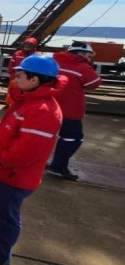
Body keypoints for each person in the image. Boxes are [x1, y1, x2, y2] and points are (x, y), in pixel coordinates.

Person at [0, 55, 64, 265]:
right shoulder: (30, 102)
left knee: (5, 216)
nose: (15, 78)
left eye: (20, 75)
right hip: (7, 171)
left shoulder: (43, 110)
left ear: (34, 80)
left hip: (14, 175)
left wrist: (2, 160)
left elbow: (28, 151)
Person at [48, 41, 102, 180]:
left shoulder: (55, 61)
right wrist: (88, 66)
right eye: (88, 55)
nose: (89, 57)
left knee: (45, 136)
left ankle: (40, 162)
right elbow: (94, 84)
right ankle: (58, 167)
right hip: (70, 111)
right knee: (72, 139)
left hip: (50, 107)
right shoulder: (82, 67)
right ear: (81, 53)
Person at [6, 38, 40, 106]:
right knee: (12, 92)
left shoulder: (37, 56)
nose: (26, 48)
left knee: (25, 94)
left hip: (28, 80)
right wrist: (13, 76)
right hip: (15, 78)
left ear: (34, 47)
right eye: (25, 45)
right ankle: (9, 105)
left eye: (29, 46)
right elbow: (11, 65)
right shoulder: (17, 54)